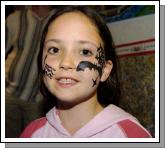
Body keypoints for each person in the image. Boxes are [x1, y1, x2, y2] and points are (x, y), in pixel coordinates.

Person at [20, 6, 152, 138]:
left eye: (85, 52)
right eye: (54, 50)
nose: (66, 63)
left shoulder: (131, 137)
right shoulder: (32, 134)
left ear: (105, 70)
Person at [5, 5, 55, 137]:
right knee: (7, 136)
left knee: (34, 137)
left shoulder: (58, 20)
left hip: (38, 98)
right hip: (8, 93)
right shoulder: (14, 18)